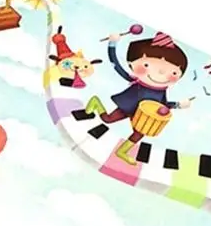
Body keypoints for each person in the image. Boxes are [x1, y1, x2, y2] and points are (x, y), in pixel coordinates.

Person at [82, 31, 192, 164]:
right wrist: (112, 44)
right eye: (146, 65)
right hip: (128, 107)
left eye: (174, 72)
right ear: (131, 63)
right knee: (108, 119)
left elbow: (163, 104)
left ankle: (121, 151)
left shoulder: (162, 90)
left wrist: (178, 105)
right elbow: (115, 64)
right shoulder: (136, 81)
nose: (161, 72)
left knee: (139, 133)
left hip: (143, 115)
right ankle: (95, 102)